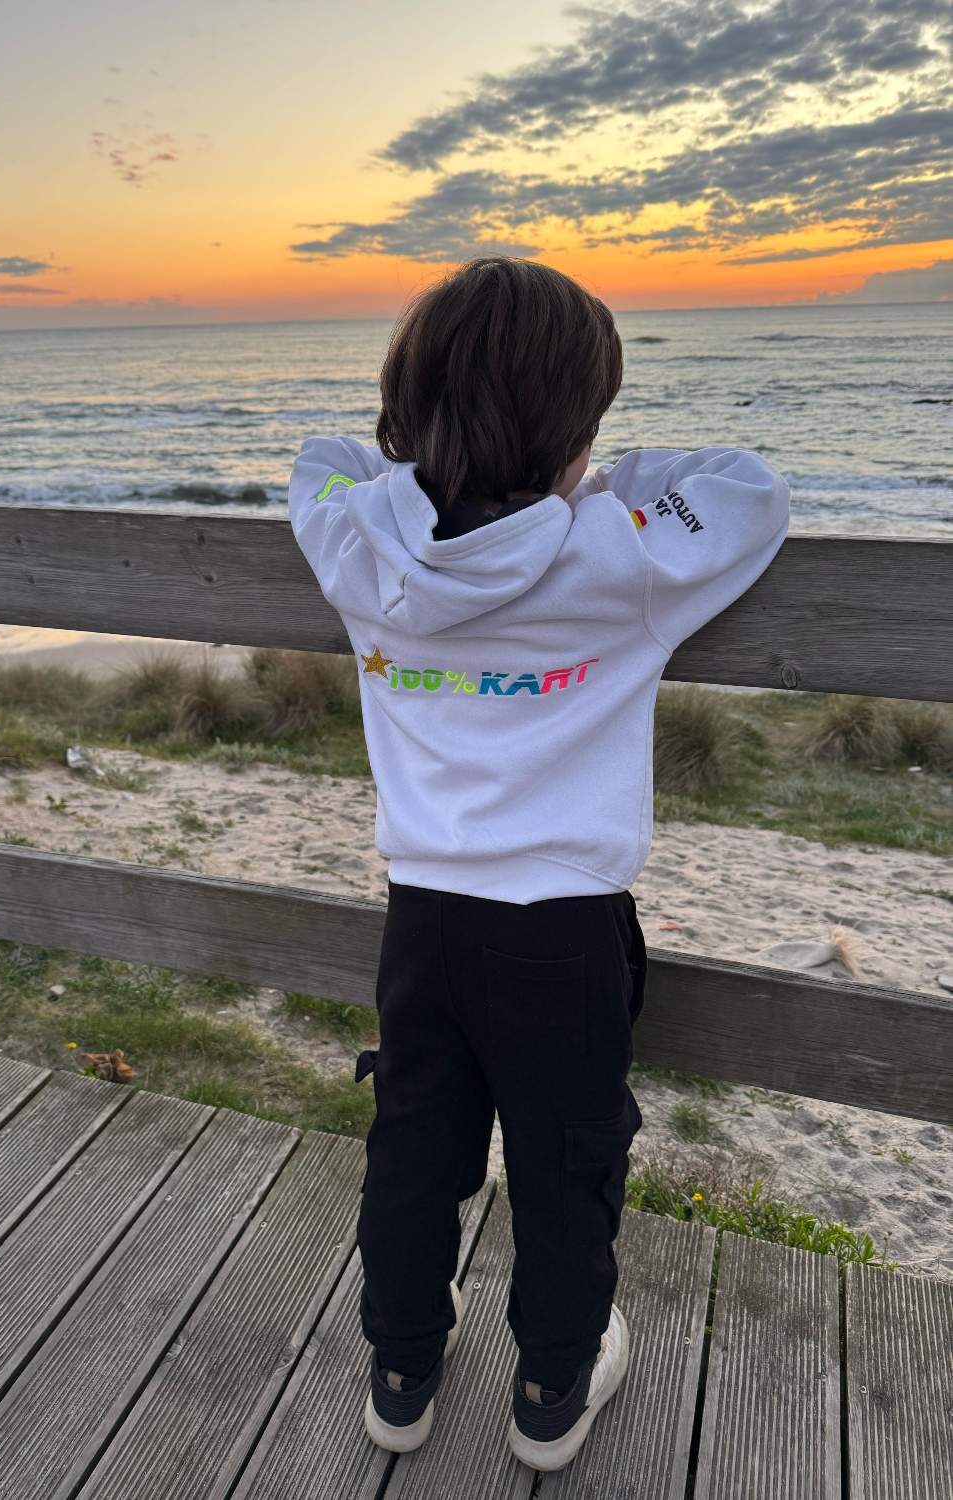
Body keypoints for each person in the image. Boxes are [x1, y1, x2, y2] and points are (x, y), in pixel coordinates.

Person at [286, 256, 790, 1473]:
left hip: (425, 922)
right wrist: (598, 483)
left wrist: (422, 472)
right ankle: (553, 1388)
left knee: (413, 1138)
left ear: (412, 404)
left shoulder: (363, 547)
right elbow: (747, 491)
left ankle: (402, 1366)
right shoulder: (618, 555)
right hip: (563, 932)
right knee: (567, 1164)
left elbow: (325, 460)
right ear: (581, 425)